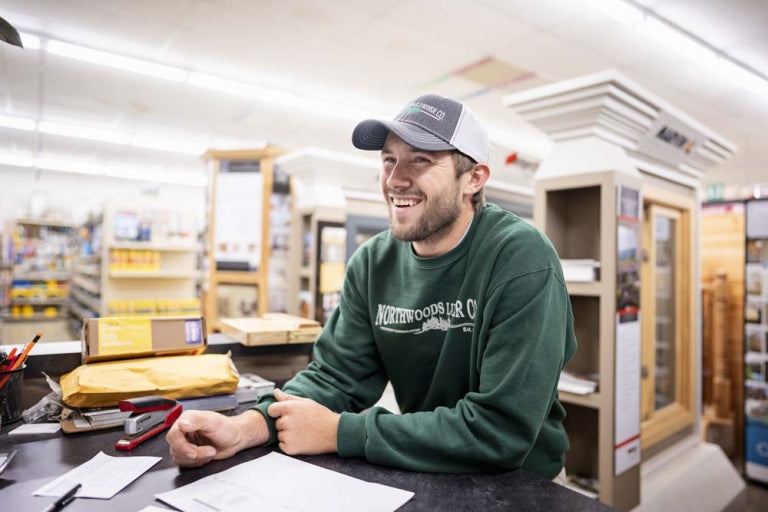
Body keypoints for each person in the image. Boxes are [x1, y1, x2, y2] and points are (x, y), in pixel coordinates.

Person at [166, 94, 577, 479]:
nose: (395, 179)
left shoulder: (521, 258)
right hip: (427, 463)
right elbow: (336, 377)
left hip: (520, 481)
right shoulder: (372, 262)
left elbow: (501, 430)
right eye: (389, 160)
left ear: (473, 178)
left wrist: (340, 432)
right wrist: (245, 428)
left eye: (420, 159)